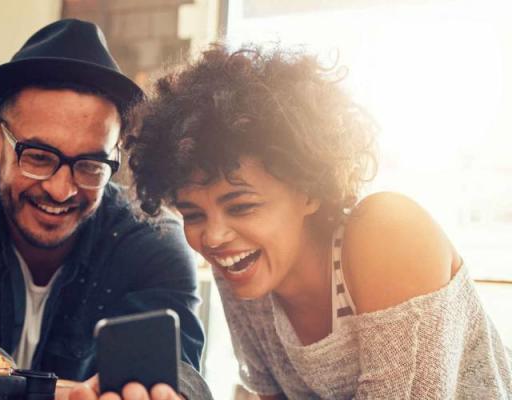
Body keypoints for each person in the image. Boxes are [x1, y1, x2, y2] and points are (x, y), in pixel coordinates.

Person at [125, 44, 512, 398]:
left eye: (241, 206)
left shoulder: (388, 231)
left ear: (308, 189)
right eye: (192, 214)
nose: (213, 236)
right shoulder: (245, 269)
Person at [0, 19, 207, 400]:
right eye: (39, 158)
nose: (62, 190)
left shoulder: (153, 239)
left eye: (91, 165)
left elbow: (179, 373)